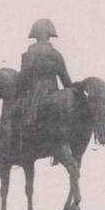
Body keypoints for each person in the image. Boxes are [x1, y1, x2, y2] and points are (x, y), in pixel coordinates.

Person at [13, 18, 73, 154]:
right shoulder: (56, 54)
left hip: (35, 93)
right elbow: (66, 81)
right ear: (48, 35)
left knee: (16, 113)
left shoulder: (30, 53)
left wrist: (18, 89)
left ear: (36, 34)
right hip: (53, 92)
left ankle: (20, 147)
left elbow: (24, 77)